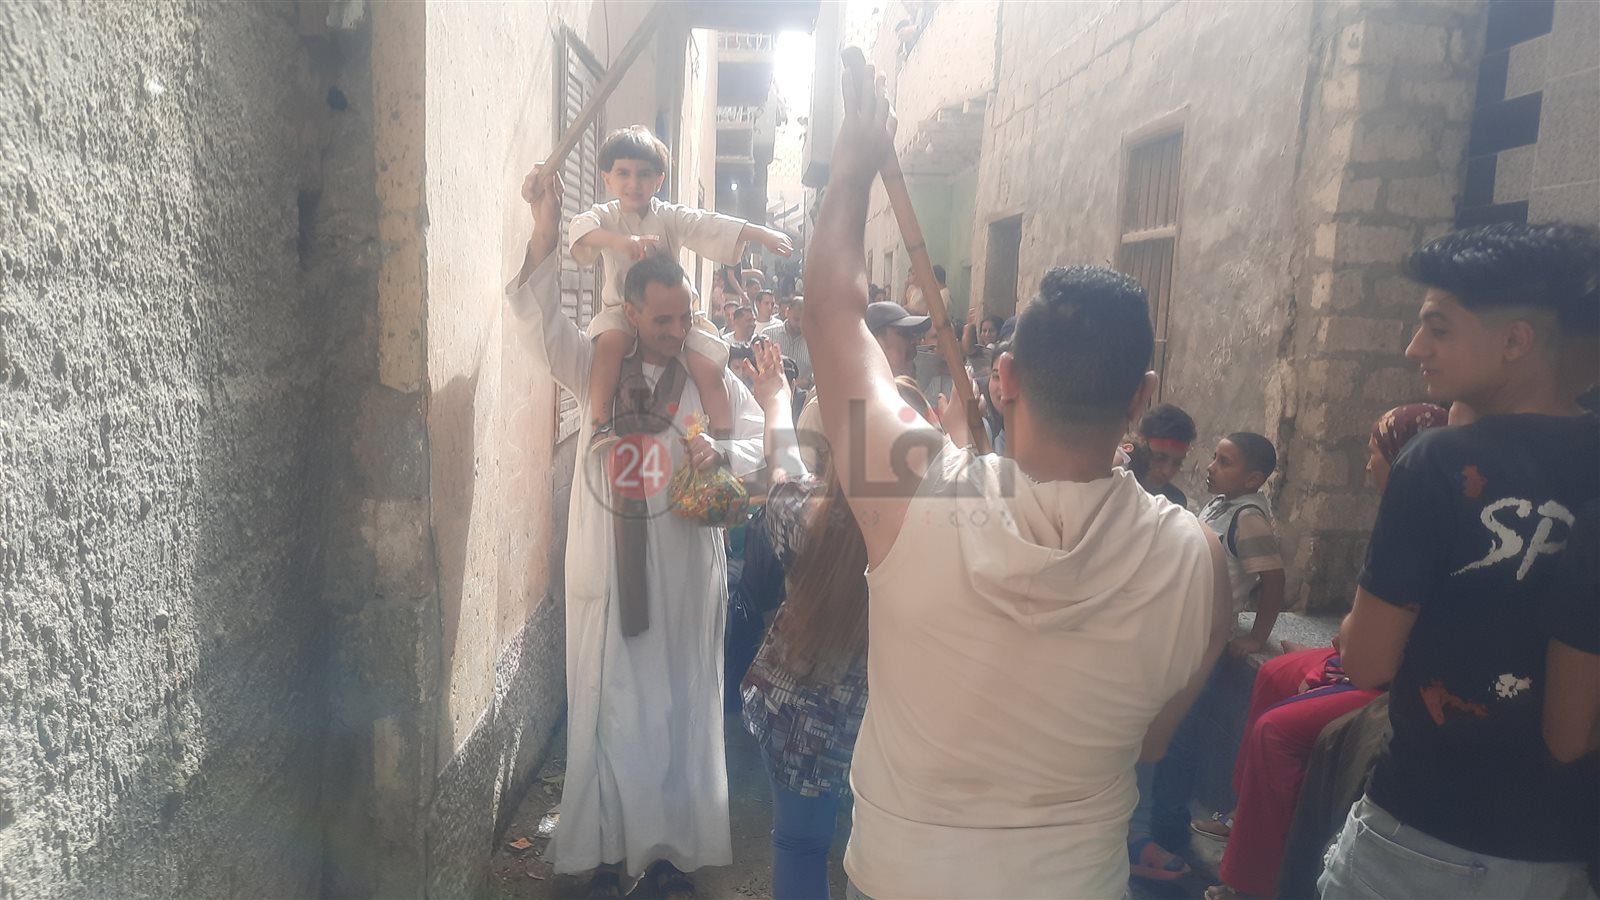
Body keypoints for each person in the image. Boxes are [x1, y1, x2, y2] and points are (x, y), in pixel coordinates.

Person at [803, 56, 1231, 899]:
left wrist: (853, 164)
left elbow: (830, 316)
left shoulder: (911, 494)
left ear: (1003, 379)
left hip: (902, 879)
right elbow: (1152, 743)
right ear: (1142, 398)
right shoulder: (1200, 562)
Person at [509, 164, 767, 900]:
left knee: (679, 706)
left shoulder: (709, 375)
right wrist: (545, 232)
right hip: (609, 570)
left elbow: (762, 439)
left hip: (684, 571)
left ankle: (668, 859)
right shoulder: (596, 365)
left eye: (685, 319)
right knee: (610, 705)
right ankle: (605, 853)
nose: (677, 333)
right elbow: (536, 318)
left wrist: (724, 454)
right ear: (630, 313)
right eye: (663, 322)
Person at [1321, 222, 1600, 899]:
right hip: (1562, 847)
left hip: (1426, 838)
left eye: (1438, 328)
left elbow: (1367, 663)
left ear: (1515, 341)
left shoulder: (1438, 463)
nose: (1415, 348)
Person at [1196, 404, 1447, 900]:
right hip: (1364, 657)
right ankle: (1247, 816)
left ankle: (1256, 880)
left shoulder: (1428, 530)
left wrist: (1346, 650)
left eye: (1375, 454)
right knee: (1275, 674)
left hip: (1398, 680)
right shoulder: (1405, 515)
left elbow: (1377, 652)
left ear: (1405, 459)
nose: (1367, 465)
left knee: (1276, 732)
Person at [737, 339, 940, 900]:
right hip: (896, 735)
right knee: (879, 864)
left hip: (801, 725)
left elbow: (782, 465)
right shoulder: (945, 543)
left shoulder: (802, 518)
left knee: (799, 846)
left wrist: (775, 398)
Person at [571, 125, 792, 445]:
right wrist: (621, 242)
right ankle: (601, 425)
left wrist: (761, 233)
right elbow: (580, 229)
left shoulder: (668, 216)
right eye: (623, 173)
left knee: (709, 364)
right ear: (607, 178)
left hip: (674, 313)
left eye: (644, 174)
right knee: (608, 348)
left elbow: (708, 224)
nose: (634, 183)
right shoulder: (605, 216)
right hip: (621, 310)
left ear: (659, 180)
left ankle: (722, 439)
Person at [1200, 432, 1286, 657]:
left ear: (1252, 479)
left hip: (1208, 634)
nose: (1211, 467)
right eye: (1214, 458)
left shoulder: (1248, 519)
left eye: (1224, 462)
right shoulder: (1218, 504)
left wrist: (1257, 638)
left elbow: (1274, 580)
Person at [1125, 403, 1198, 508]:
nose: (1167, 471)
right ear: (1141, 442)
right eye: (1160, 458)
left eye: (1177, 463)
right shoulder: (1114, 480)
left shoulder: (1174, 502)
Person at [761, 296, 812, 384]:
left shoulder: (813, 342)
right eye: (796, 319)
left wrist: (808, 382)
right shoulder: (768, 335)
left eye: (804, 321)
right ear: (787, 312)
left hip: (802, 391)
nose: (800, 324)